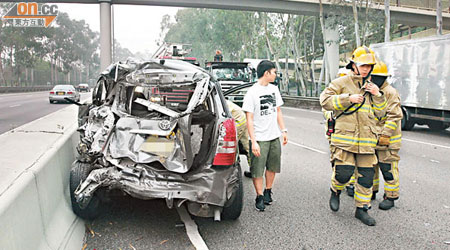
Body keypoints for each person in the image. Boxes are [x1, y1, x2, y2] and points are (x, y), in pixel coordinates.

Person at [320, 46, 387, 226]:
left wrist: (378, 96)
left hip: (366, 141)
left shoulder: (373, 86)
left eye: (369, 66)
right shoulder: (341, 83)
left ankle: (361, 209)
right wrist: (347, 98)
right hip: (345, 140)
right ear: (354, 64)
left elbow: (382, 114)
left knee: (366, 177)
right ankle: (335, 191)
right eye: (363, 65)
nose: (366, 69)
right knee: (343, 173)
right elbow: (324, 101)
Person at [242, 60, 288, 212]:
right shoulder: (252, 93)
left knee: (273, 166)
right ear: (266, 73)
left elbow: (278, 111)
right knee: (257, 169)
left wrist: (284, 130)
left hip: (273, 136)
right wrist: (253, 141)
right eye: (274, 72)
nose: (275, 75)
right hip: (259, 138)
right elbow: (249, 119)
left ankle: (268, 191)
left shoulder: (274, 90)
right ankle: (259, 196)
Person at [370, 60, 402, 210]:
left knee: (388, 169)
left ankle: (391, 196)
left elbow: (394, 116)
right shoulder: (371, 91)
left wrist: (385, 135)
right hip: (373, 139)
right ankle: (372, 191)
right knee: (372, 167)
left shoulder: (390, 93)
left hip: (388, 142)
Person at [226, 100, 251, 177]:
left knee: (231, 145)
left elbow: (225, 116)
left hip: (238, 122)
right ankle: (254, 169)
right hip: (243, 120)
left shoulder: (223, 104)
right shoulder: (223, 101)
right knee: (247, 146)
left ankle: (233, 169)